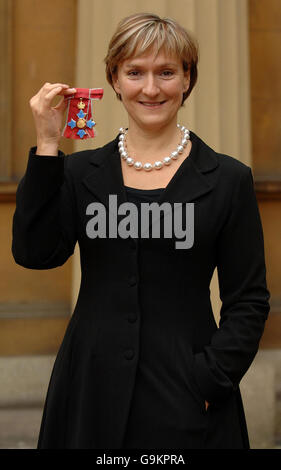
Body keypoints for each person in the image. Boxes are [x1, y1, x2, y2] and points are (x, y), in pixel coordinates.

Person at [12, 12, 270, 449]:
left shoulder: (228, 179)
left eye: (166, 72)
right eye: (135, 72)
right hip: (90, 389)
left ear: (187, 79)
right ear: (114, 79)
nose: (151, 88)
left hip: (188, 392)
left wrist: (211, 379)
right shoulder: (79, 172)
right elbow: (36, 254)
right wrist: (49, 146)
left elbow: (248, 299)